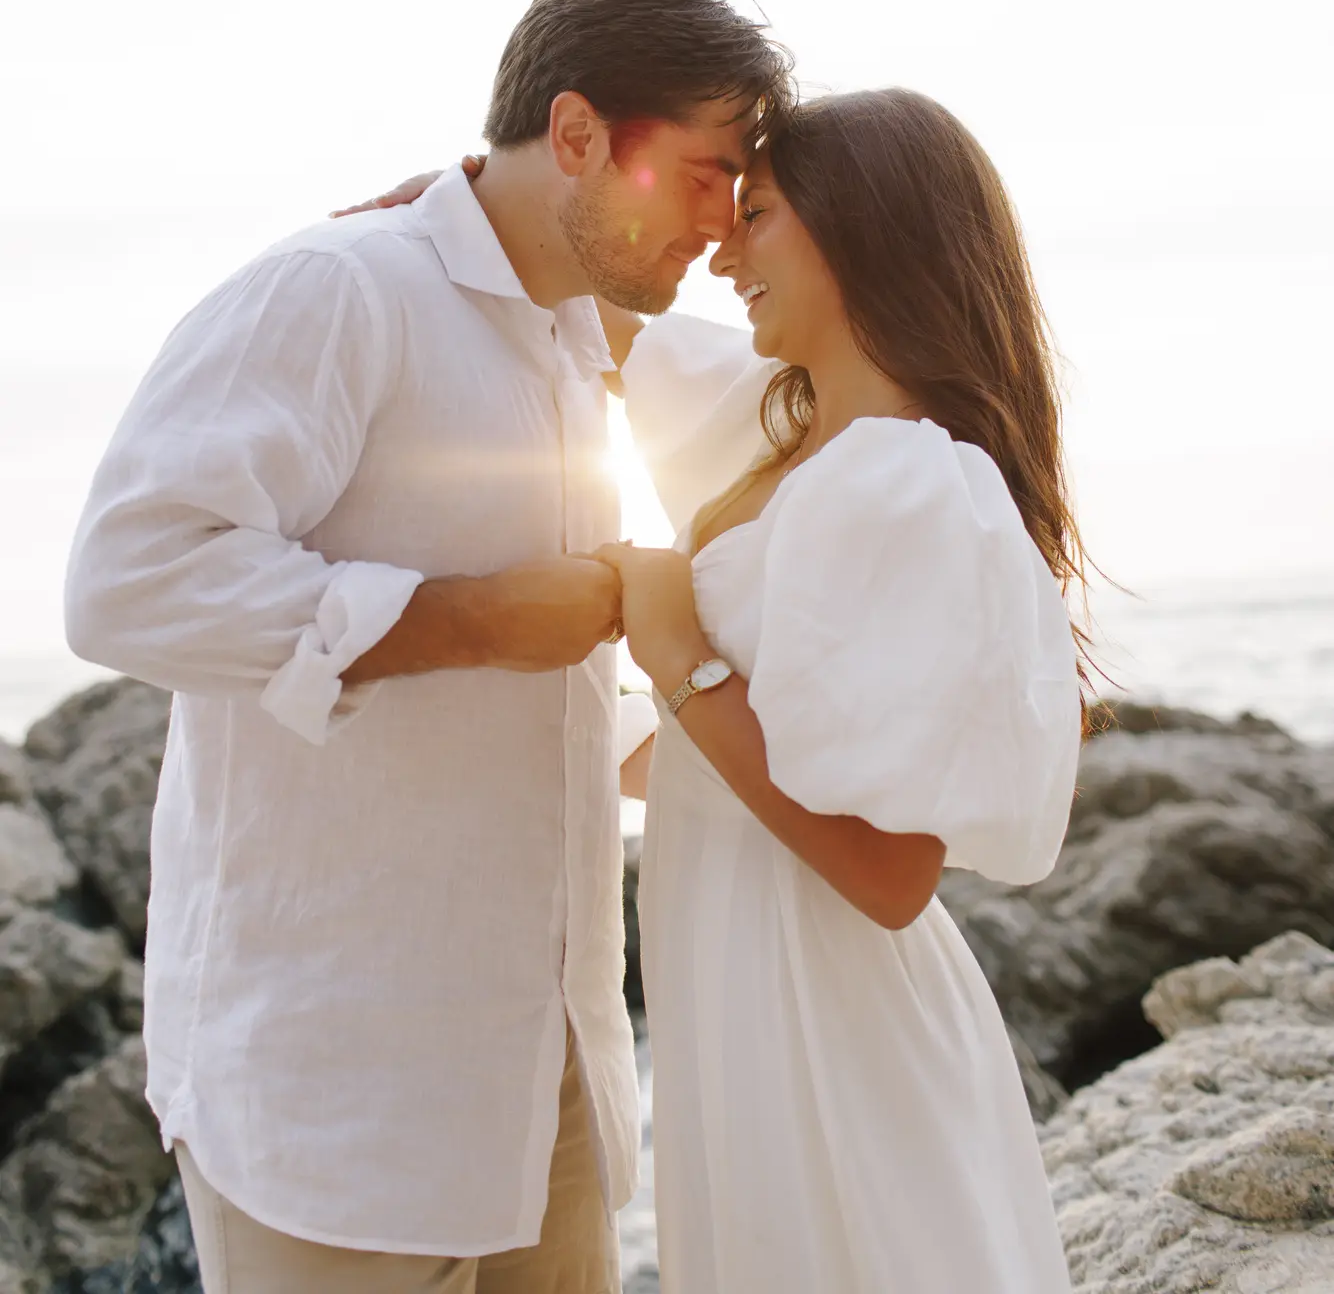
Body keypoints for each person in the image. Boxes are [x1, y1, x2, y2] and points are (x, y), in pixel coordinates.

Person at [63, 0, 794, 1294]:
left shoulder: (585, 337)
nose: (725, 222)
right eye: (706, 174)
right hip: (332, 1095)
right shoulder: (338, 289)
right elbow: (127, 576)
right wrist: (462, 621)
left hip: (548, 1081)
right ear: (578, 134)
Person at [369, 87, 1086, 1293]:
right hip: (740, 975)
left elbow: (889, 872)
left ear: (858, 231)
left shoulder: (910, 483)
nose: (723, 255)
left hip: (827, 1006)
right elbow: (605, 310)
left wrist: (678, 658)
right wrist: (454, 213)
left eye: (755, 216)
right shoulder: (776, 429)